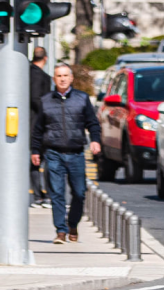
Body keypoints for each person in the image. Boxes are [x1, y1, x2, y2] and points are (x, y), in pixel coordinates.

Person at [31, 64, 101, 244]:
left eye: (65, 75)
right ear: (54, 79)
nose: (62, 79)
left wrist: (95, 140)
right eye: (58, 76)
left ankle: (73, 224)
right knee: (57, 193)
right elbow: (38, 129)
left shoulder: (82, 98)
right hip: (53, 153)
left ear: (71, 78)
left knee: (79, 193)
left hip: (76, 153)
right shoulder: (45, 101)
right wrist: (35, 150)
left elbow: (92, 123)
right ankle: (60, 231)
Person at [28, 46, 51, 208]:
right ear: (46, 58)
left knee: (36, 161)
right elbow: (36, 98)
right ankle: (41, 196)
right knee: (42, 160)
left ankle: (40, 195)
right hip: (37, 124)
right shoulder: (40, 76)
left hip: (28, 124)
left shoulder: (23, 71)